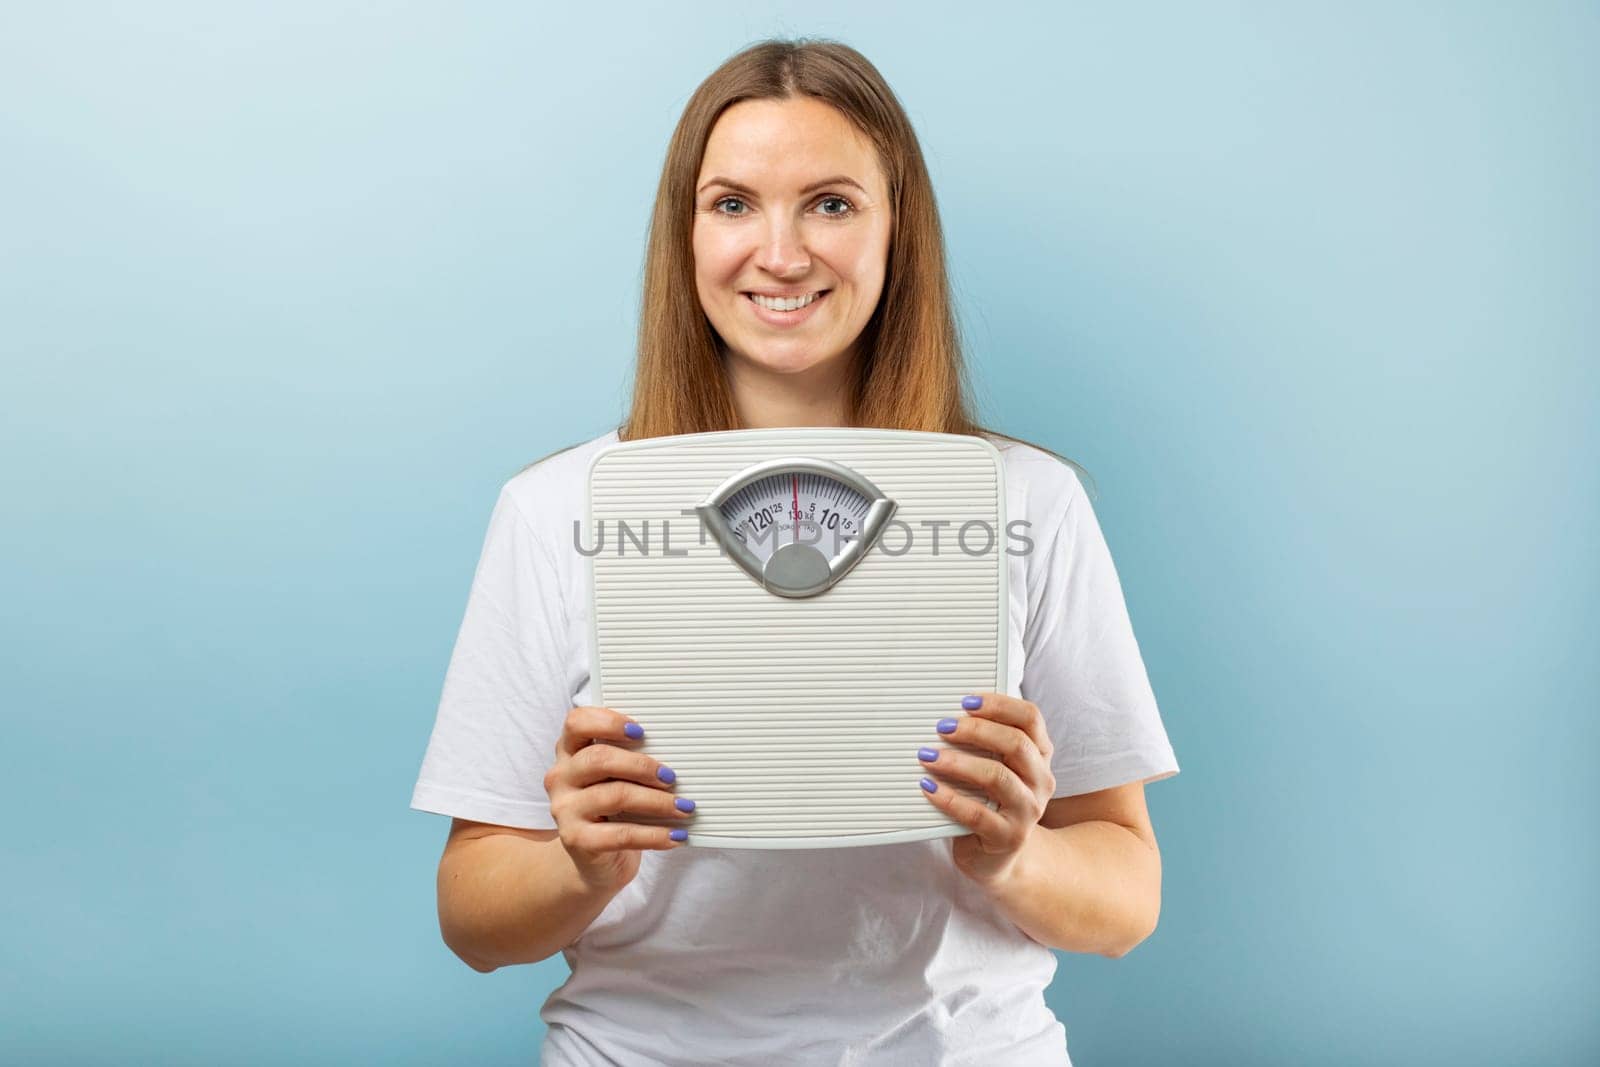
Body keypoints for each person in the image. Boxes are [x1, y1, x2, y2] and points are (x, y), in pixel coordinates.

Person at [410, 37, 1179, 1066]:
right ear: (683, 234)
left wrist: (1014, 854)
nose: (780, 253)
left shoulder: (1028, 500)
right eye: (733, 204)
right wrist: (582, 867)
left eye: (830, 203)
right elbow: (471, 915)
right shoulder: (555, 511)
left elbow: (1126, 899)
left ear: (895, 230)